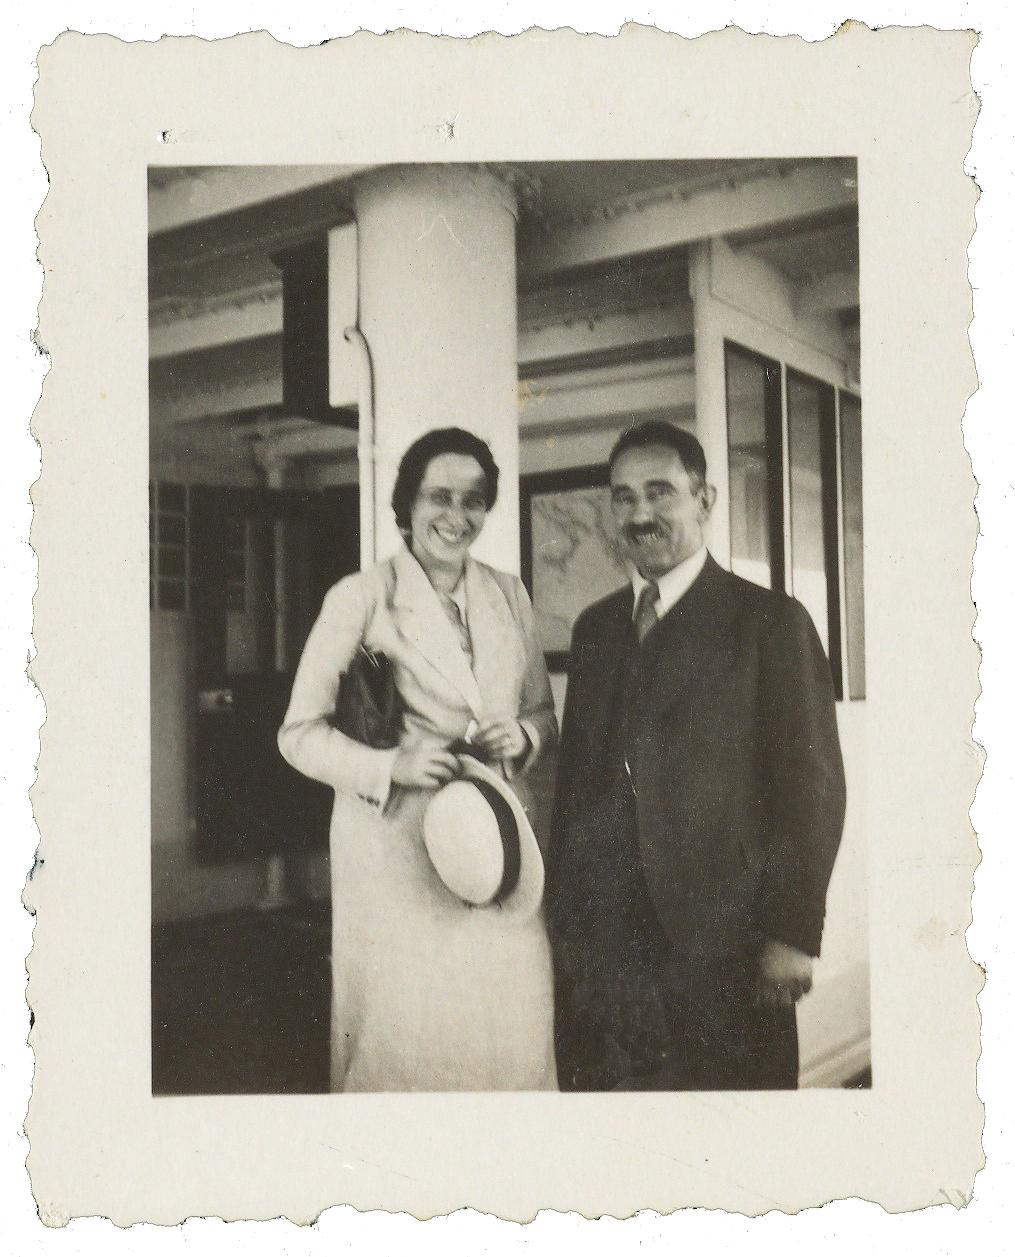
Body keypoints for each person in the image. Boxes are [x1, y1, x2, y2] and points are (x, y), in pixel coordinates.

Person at [547, 420, 847, 1091]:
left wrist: (791, 934)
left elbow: (812, 790)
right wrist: (563, 924)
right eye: (623, 497)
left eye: (660, 492)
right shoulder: (595, 629)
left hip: (726, 950)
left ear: (705, 500)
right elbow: (575, 785)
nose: (640, 513)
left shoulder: (770, 622)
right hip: (606, 957)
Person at [279, 427, 558, 1092]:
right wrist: (389, 767)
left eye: (473, 500)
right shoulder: (359, 597)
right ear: (406, 504)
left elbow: (544, 711)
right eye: (439, 496)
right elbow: (297, 733)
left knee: (510, 1032)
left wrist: (523, 734)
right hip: (397, 852)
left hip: (494, 844)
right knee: (410, 1043)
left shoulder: (509, 594)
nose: (456, 516)